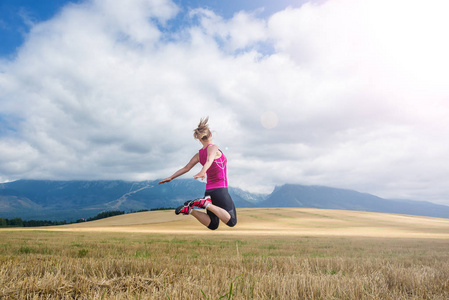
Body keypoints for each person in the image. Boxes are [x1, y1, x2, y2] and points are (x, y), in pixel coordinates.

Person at [158, 117, 237, 230]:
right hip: (220, 190)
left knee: (213, 224)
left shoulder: (199, 155)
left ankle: (190, 210)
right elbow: (210, 159)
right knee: (232, 221)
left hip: (209, 192)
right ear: (210, 134)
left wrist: (171, 177)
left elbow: (186, 168)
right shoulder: (213, 148)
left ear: (200, 139)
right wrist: (202, 171)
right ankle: (206, 204)